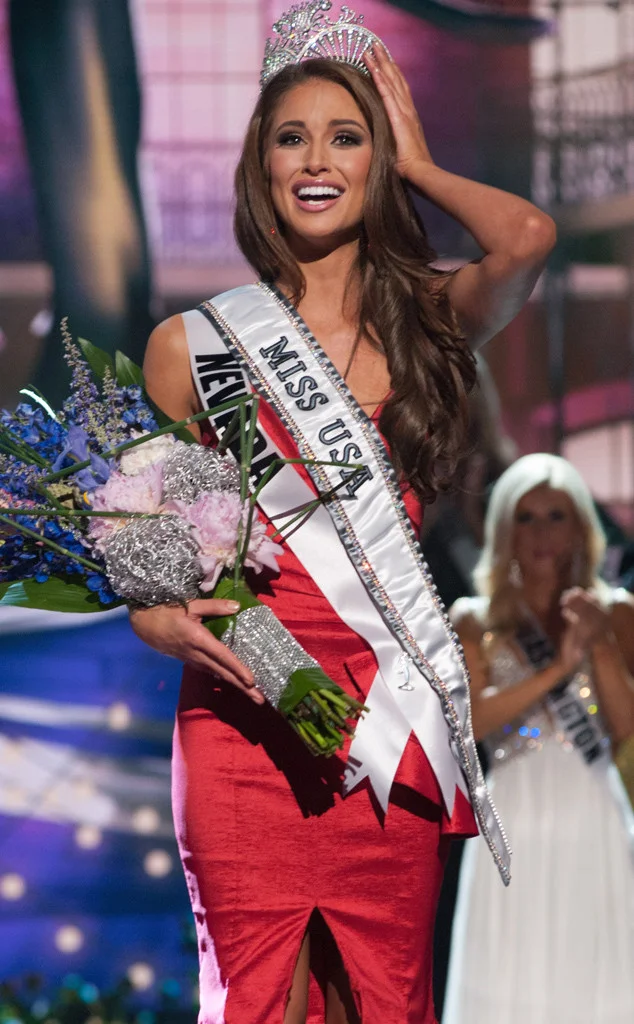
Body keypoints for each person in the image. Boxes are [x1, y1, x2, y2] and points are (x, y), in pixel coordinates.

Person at [129, 5, 556, 1022]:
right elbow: (153, 564)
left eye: (345, 136)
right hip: (245, 715)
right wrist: (150, 612)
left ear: (377, 161)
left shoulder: (429, 326)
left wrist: (422, 165)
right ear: (260, 166)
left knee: (383, 999)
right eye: (291, 137)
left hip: (386, 721)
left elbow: (528, 238)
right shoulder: (191, 349)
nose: (315, 160)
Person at [443, 453, 634, 1024]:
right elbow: (472, 724)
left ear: (580, 527)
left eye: (557, 516)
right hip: (513, 816)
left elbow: (625, 728)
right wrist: (557, 669)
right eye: (527, 517)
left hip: (592, 810)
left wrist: (597, 643)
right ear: (504, 529)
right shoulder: (474, 620)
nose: (543, 532)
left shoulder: (617, 612)